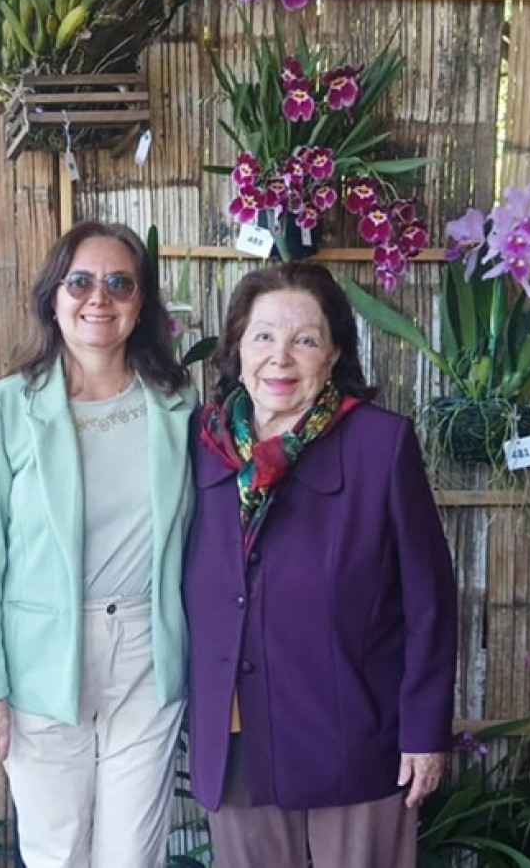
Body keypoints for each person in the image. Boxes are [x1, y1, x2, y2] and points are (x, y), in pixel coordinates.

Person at [182, 262, 457, 868]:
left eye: (304, 339)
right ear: (237, 349)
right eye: (263, 337)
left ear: (333, 354)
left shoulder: (379, 445)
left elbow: (429, 600)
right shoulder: (202, 446)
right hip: (235, 734)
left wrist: (424, 733)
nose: (280, 358)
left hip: (355, 733)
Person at [0, 220, 196, 868]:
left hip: (146, 653)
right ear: (52, 296)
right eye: (80, 281)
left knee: (131, 854)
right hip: (40, 660)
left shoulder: (176, 404)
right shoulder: (3, 408)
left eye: (120, 282)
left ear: (140, 304)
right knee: (58, 851)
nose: (99, 297)